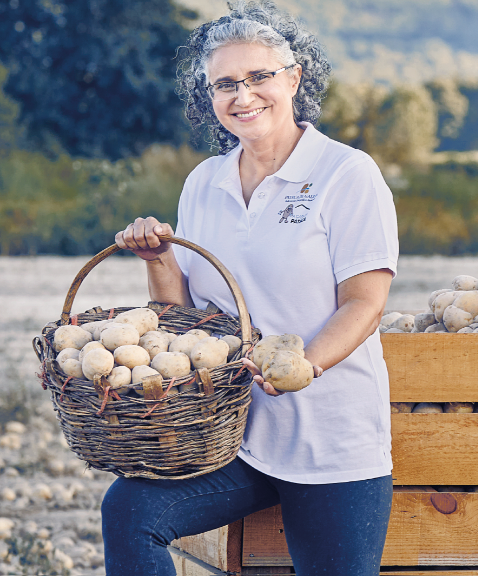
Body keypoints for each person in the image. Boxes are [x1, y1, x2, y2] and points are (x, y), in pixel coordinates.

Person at [104, 2, 398, 575]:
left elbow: (366, 302)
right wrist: (160, 259)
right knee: (131, 511)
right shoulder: (204, 182)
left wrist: (304, 365)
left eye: (259, 76)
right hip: (231, 437)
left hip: (330, 441)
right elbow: (184, 319)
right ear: (209, 97)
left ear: (294, 78)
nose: (244, 96)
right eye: (225, 84)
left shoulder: (346, 173)